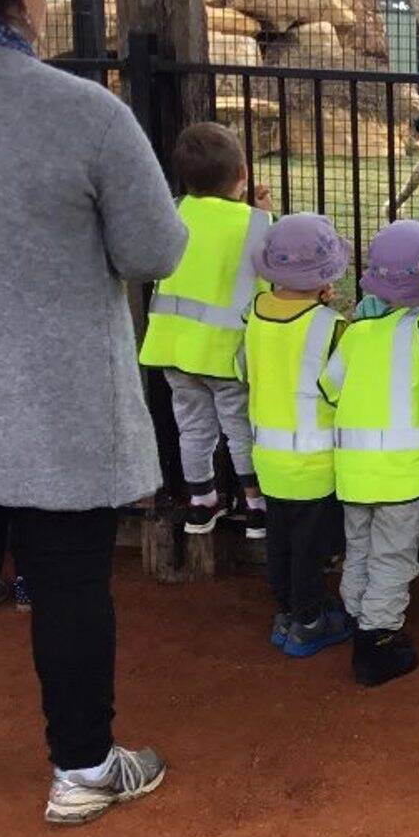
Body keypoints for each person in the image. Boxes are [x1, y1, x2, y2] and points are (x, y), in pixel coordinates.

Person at [0, 0, 183, 830]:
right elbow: (155, 250)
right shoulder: (82, 112)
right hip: (59, 404)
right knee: (71, 586)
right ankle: (82, 769)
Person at [324, 221, 419, 688]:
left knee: (359, 547)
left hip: (354, 471)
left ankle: (358, 615)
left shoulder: (357, 333)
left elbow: (330, 388)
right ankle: (377, 643)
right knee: (393, 557)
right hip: (404, 473)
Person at [139, 121, 273, 537]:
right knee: (239, 429)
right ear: (243, 174)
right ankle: (256, 505)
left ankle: (201, 500)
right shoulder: (256, 222)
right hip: (225, 352)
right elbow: (267, 282)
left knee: (193, 427)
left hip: (173, 348)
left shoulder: (174, 211)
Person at [243, 213, 352, 659]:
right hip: (313, 461)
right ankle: (308, 619)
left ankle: (288, 610)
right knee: (310, 544)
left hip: (267, 456)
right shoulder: (330, 327)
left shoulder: (254, 313)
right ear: (326, 278)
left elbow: (241, 370)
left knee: (280, 538)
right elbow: (339, 388)